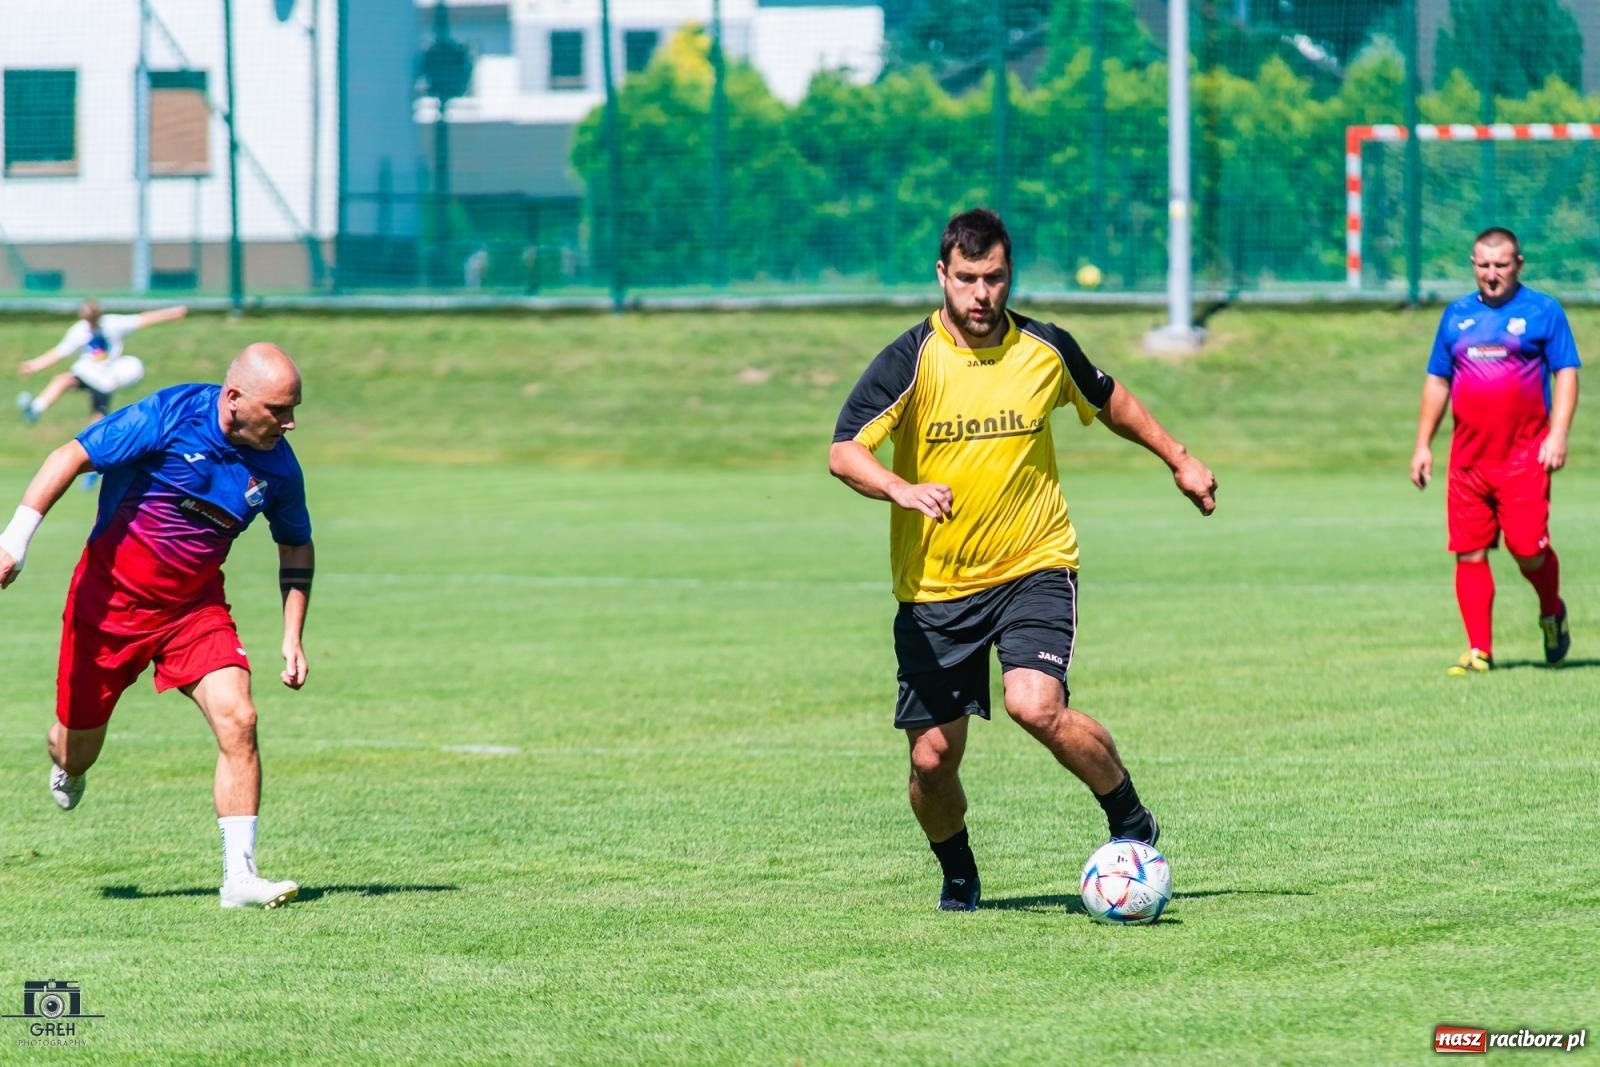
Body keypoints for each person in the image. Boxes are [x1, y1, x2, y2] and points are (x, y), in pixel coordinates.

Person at [829, 208, 1218, 912]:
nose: (981, 293)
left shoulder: (1043, 347)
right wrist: (899, 486)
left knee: (1033, 704)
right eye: (968, 279)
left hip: (1033, 564)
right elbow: (844, 450)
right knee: (931, 760)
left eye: (995, 278)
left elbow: (1111, 398)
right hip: (935, 589)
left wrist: (1180, 459)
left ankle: (1129, 817)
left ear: (1010, 276)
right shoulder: (909, 359)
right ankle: (957, 867)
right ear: (942, 276)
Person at [0, 343, 315, 909]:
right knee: (75, 751)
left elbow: (295, 545)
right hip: (107, 607)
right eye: (278, 410)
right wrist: (13, 543)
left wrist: (292, 635)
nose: (289, 422)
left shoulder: (280, 465)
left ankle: (239, 878)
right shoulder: (171, 415)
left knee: (239, 718)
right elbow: (70, 455)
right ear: (234, 398)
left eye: (293, 409)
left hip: (194, 611)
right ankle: (65, 762)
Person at [1410, 227, 1580, 675]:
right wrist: (1423, 445)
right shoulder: (1456, 316)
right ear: (1473, 265)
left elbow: (1565, 372)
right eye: (1483, 265)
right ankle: (1479, 650)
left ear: (1518, 264)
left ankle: (1551, 611)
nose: (1491, 274)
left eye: (1501, 265)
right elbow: (1438, 380)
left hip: (1525, 458)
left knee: (1528, 550)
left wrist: (1558, 433)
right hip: (1467, 462)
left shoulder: (1544, 311)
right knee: (1469, 552)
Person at [17, 299, 188, 425]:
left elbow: (142, 319)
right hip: (88, 373)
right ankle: (35, 410)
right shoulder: (79, 331)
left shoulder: (113, 324)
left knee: (98, 417)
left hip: (106, 378)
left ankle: (93, 457)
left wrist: (171, 313)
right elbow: (59, 352)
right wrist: (34, 365)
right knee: (63, 380)